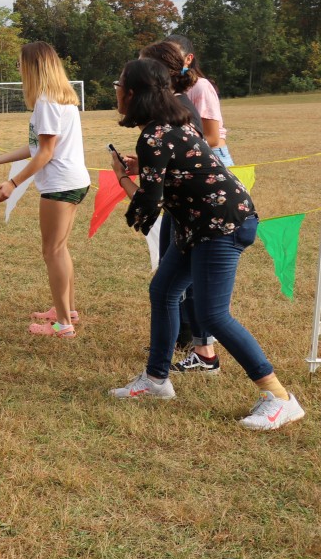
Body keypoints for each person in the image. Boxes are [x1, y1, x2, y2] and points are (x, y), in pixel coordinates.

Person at [107, 57, 304, 430]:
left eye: (118, 86)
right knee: (163, 290)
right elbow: (175, 173)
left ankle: (279, 396)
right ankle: (156, 380)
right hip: (200, 225)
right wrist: (142, 169)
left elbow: (149, 206)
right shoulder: (173, 123)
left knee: (214, 315)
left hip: (222, 227)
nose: (116, 92)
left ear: (132, 94)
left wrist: (121, 178)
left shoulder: (154, 134)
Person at [0, 41, 90, 338]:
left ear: (34, 67)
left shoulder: (47, 102)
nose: (19, 69)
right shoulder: (60, 100)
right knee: (60, 249)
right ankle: (67, 309)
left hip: (60, 185)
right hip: (74, 182)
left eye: (21, 64)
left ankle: (63, 324)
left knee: (52, 251)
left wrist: (12, 183)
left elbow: (45, 153)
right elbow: (37, 146)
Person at [141, 41, 212, 365]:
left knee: (195, 295)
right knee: (167, 285)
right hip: (184, 208)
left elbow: (150, 198)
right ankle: (184, 352)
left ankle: (201, 350)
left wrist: (132, 178)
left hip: (198, 212)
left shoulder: (177, 109)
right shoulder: (171, 109)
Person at [166, 34, 234, 166]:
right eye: (164, 57)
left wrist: (174, 153)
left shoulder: (200, 86)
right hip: (187, 158)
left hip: (213, 157)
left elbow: (212, 138)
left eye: (174, 56)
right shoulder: (165, 88)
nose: (168, 61)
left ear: (188, 58)